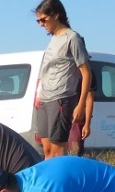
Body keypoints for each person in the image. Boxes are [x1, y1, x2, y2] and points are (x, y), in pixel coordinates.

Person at [34, 0, 92, 158]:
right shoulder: (53, 38)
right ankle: (48, 182)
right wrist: (39, 96)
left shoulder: (72, 38)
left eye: (44, 20)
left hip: (61, 98)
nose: (41, 24)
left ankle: (59, 182)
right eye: (38, 21)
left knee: (57, 150)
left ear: (56, 15)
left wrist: (80, 105)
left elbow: (86, 73)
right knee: (46, 150)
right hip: (45, 99)